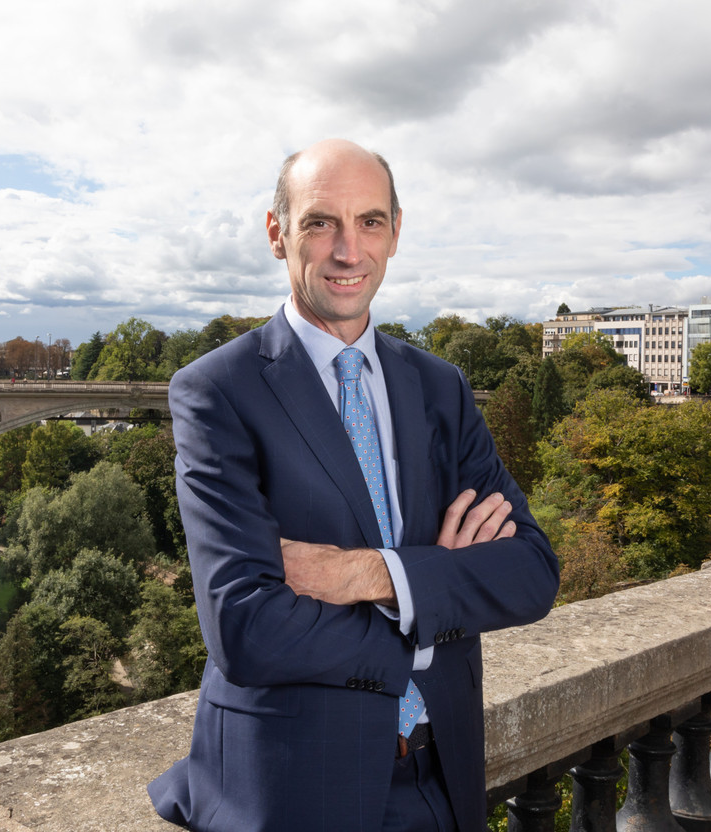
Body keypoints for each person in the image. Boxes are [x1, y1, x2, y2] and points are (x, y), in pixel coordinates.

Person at [148, 139, 559, 832]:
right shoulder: (217, 391)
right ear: (277, 233)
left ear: (396, 232)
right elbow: (246, 630)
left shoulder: (440, 388)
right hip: (293, 793)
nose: (348, 250)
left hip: (444, 781)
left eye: (369, 221)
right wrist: (435, 603)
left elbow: (532, 573)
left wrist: (365, 575)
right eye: (320, 223)